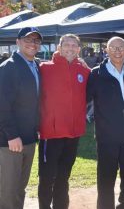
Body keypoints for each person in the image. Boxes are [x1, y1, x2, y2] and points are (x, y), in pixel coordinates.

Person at [87, 36, 124, 209]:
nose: (117, 51)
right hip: (107, 137)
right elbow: (84, 99)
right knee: (105, 178)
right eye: (113, 48)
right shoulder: (96, 74)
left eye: (121, 48)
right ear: (107, 50)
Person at [38, 34, 90, 209]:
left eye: (73, 45)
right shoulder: (44, 68)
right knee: (46, 178)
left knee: (63, 177)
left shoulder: (84, 71)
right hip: (50, 134)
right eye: (66, 44)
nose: (70, 47)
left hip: (73, 134)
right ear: (58, 47)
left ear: (78, 49)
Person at [0, 27, 42, 209]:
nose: (32, 43)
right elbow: (2, 104)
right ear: (17, 42)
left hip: (29, 138)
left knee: (20, 188)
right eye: (27, 39)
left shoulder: (35, 66)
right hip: (10, 141)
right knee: (8, 190)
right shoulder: (9, 67)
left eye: (36, 40)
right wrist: (11, 135)